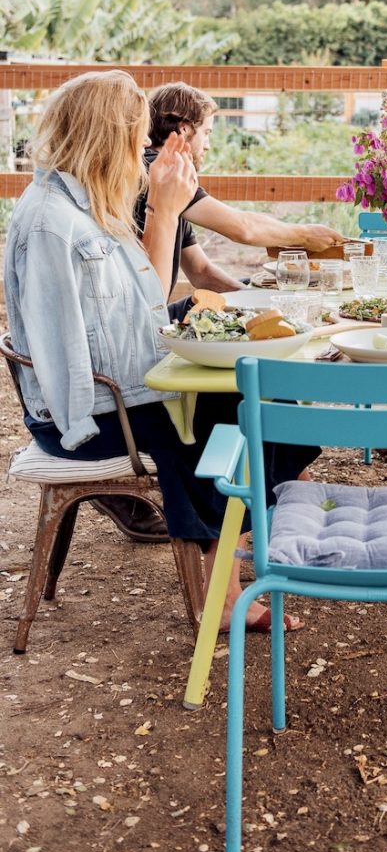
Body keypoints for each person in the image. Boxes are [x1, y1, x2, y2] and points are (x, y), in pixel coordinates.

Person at [4, 71, 316, 633]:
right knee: (241, 419)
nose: (142, 150)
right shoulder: (53, 224)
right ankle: (224, 594)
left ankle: (237, 556)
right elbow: (61, 356)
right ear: (109, 136)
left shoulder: (85, 200)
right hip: (94, 413)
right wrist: (166, 214)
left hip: (122, 379)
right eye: (136, 136)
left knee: (276, 402)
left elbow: (140, 304)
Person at [135, 82, 347, 307]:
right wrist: (305, 235)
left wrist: (264, 302)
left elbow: (201, 272)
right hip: (144, 319)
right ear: (185, 129)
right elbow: (244, 228)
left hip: (154, 309)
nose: (207, 145)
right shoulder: (158, 171)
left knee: (255, 285)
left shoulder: (169, 178)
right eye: (206, 133)